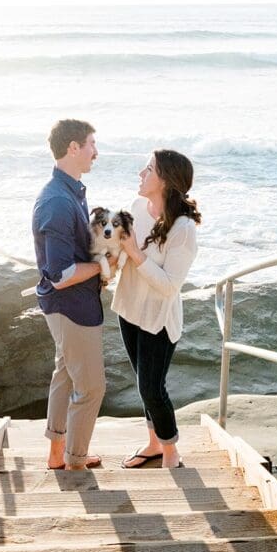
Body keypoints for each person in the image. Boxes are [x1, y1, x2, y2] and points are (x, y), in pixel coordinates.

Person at [112, 149, 201, 469]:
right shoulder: (137, 207)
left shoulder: (183, 229)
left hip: (157, 319)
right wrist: (112, 260)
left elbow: (168, 285)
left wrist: (134, 253)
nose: (140, 173)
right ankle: (153, 444)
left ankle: (171, 453)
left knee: (152, 387)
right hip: (129, 309)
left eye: (148, 169)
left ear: (164, 180)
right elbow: (123, 253)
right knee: (143, 385)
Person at [32, 119, 109, 470]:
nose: (96, 150)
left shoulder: (72, 192)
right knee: (91, 387)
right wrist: (104, 266)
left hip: (71, 304)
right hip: (70, 306)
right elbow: (61, 275)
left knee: (64, 374)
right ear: (73, 148)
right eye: (92, 143)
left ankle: (57, 455)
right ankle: (76, 462)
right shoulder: (57, 202)